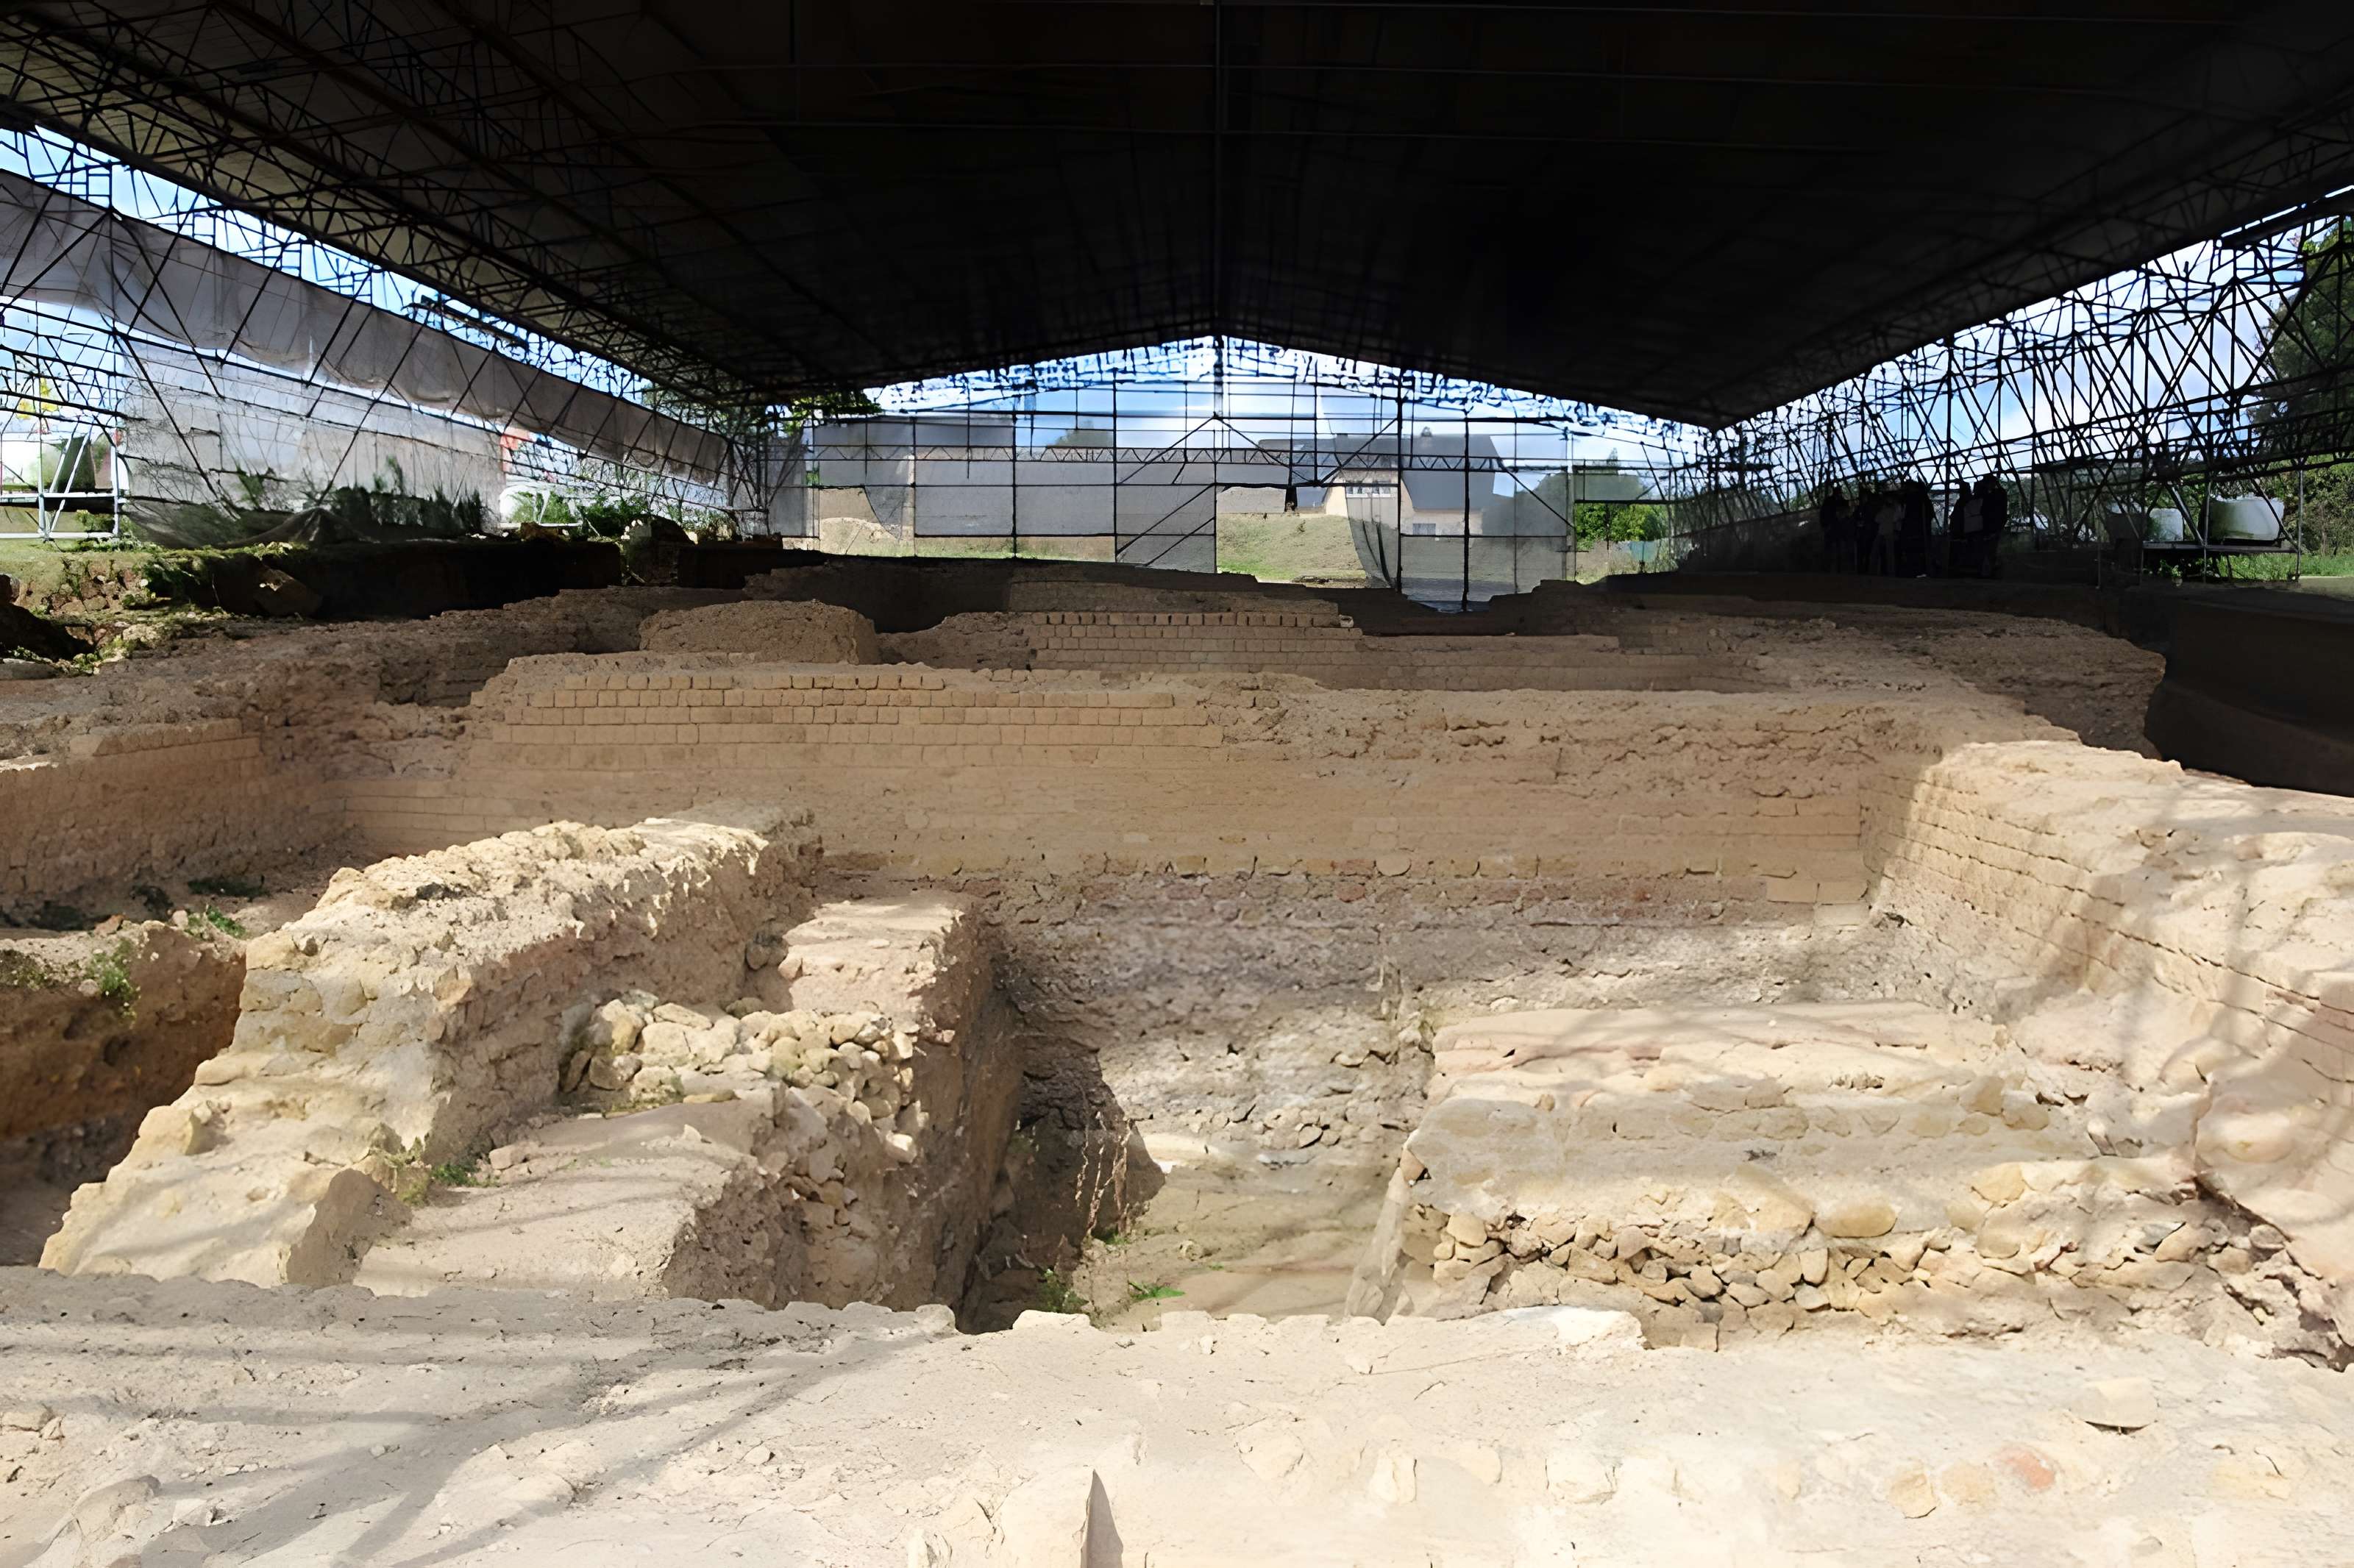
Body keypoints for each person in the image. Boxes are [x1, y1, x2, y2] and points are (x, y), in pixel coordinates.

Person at [1898, 478, 1933, 576]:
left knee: (1913, 551)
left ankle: (1914, 571)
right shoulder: (1923, 499)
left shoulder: (1912, 498)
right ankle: (1919, 571)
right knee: (1917, 551)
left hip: (1913, 529)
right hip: (1919, 530)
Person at [1818, 485, 1850, 574]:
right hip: (1833, 527)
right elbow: (1824, 514)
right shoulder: (1834, 501)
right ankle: (1831, 568)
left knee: (1834, 548)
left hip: (1835, 528)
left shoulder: (1834, 501)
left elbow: (1823, 514)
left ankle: (1835, 568)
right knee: (1831, 548)